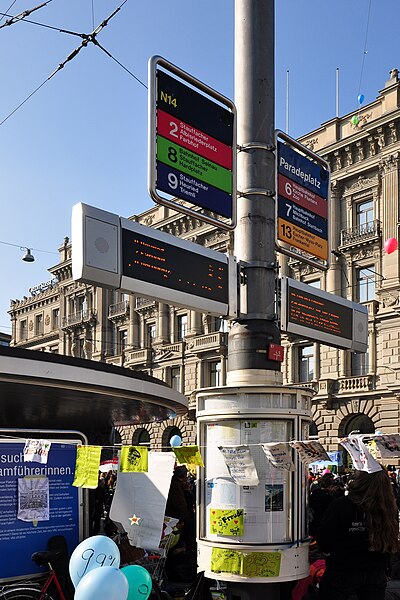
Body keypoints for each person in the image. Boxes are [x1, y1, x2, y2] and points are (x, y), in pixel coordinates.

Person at [316, 468, 400, 600]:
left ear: (360, 481)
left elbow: (324, 540)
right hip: (375, 574)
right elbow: (391, 541)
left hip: (343, 573)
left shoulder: (341, 505)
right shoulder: (388, 508)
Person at [309, 472, 343, 538]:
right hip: (328, 525)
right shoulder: (330, 497)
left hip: (316, 523)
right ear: (331, 486)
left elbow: (311, 505)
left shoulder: (315, 493)